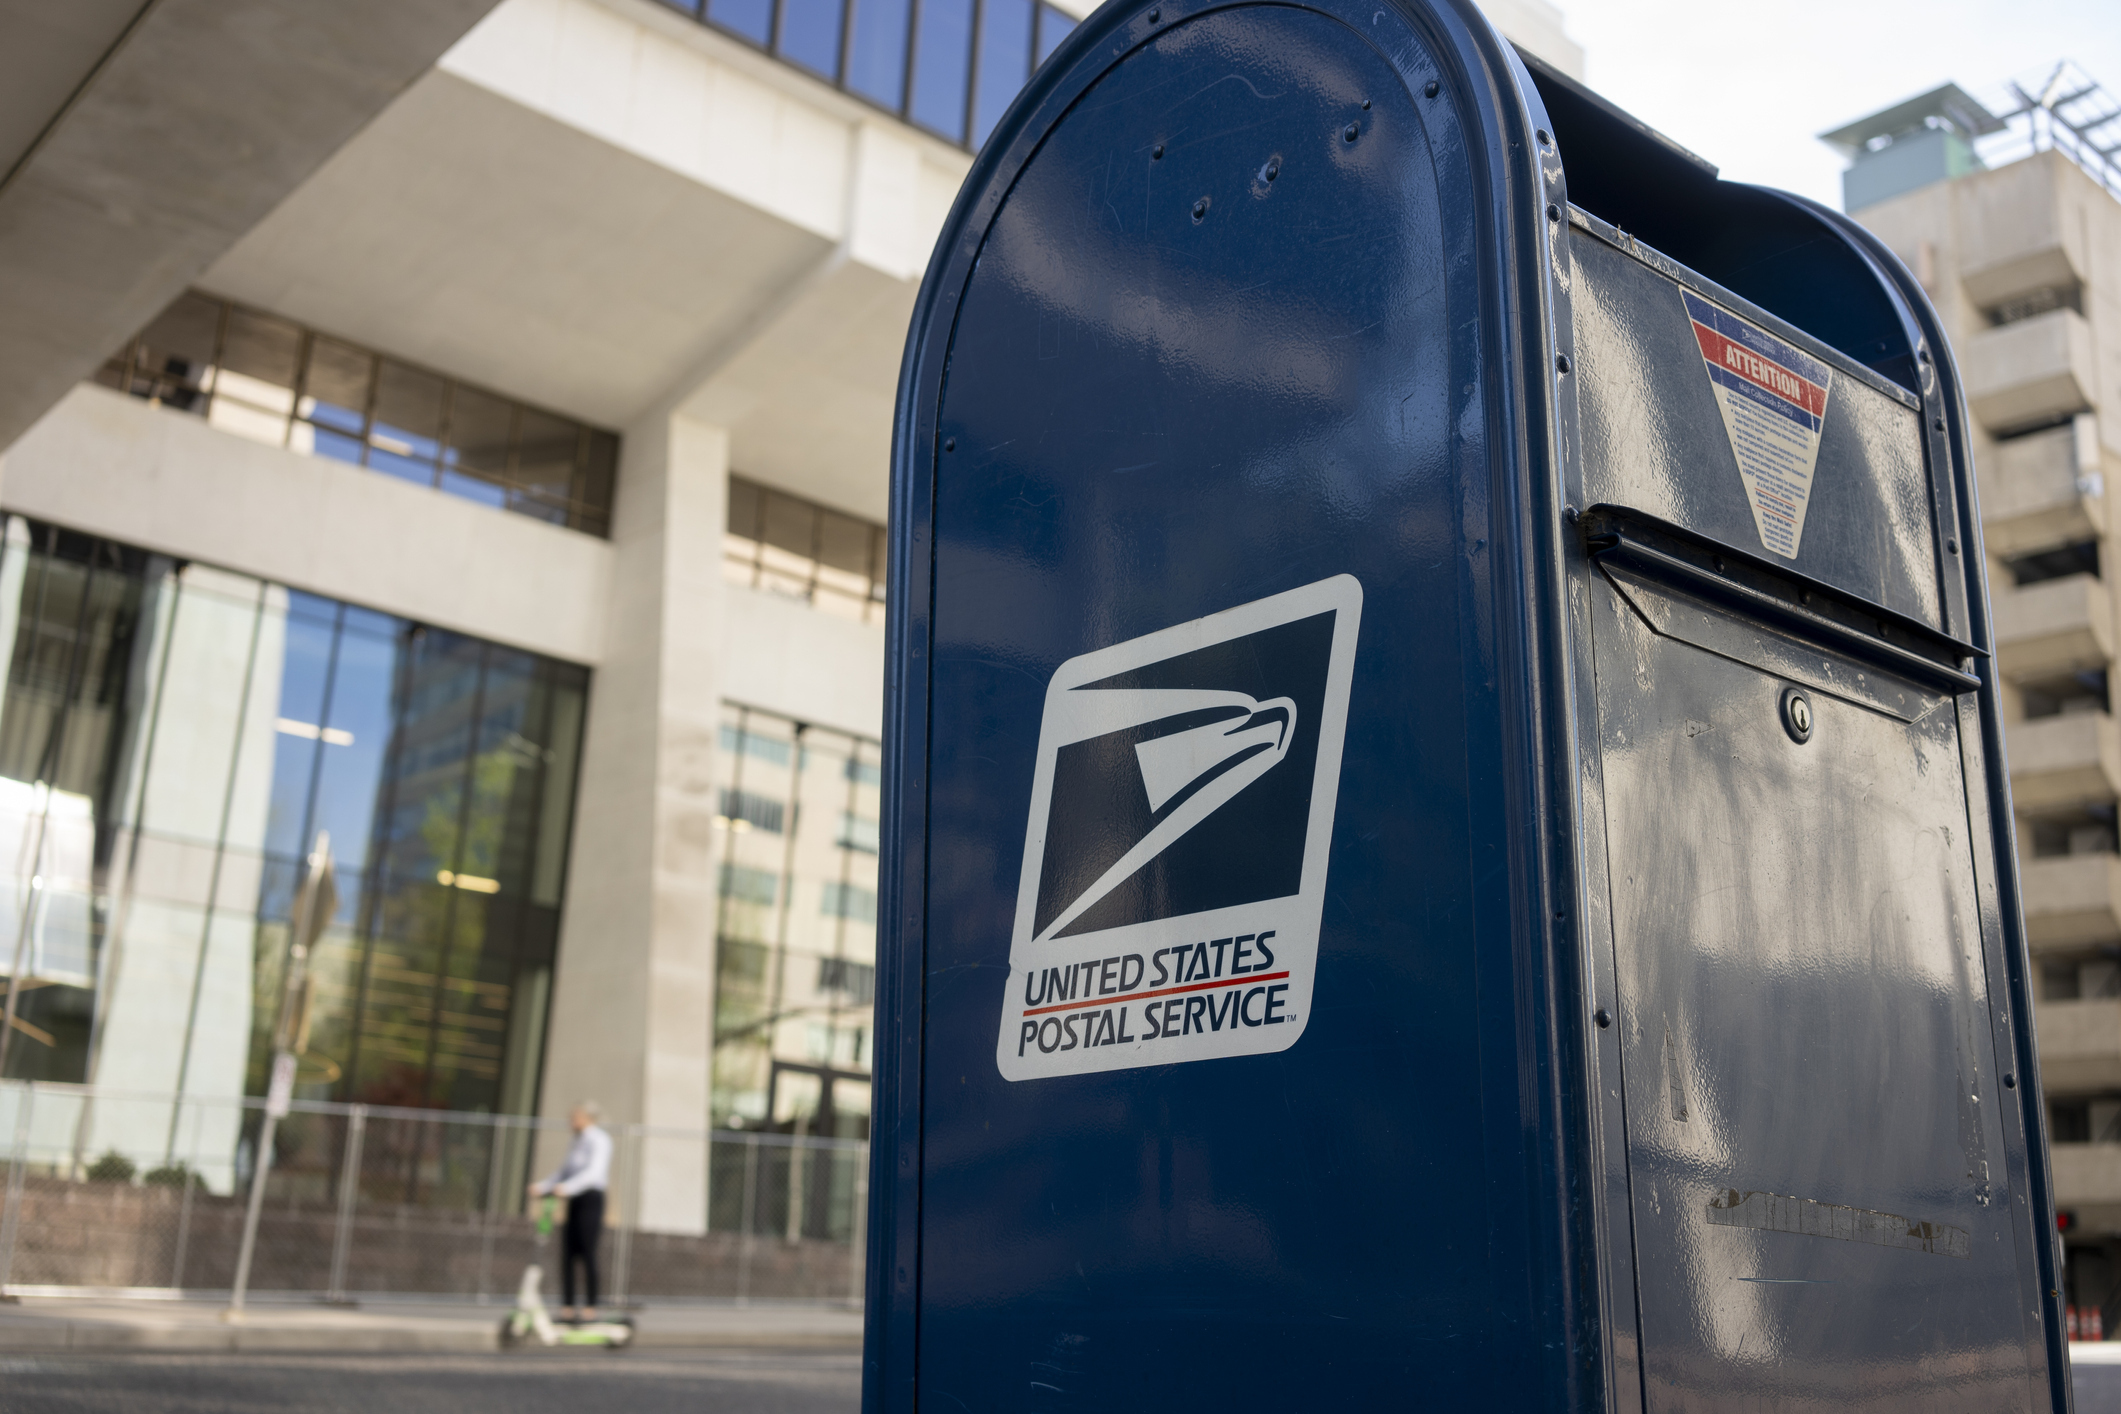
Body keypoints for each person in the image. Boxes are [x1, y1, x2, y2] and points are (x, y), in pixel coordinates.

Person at [528, 1101, 612, 1322]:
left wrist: (567, 1188)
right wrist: (544, 1187)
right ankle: (567, 1306)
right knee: (568, 1253)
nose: (571, 1121)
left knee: (587, 1251)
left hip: (591, 1198)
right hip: (573, 1199)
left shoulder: (599, 1140)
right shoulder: (575, 1142)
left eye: (576, 1117)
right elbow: (563, 1172)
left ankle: (591, 1306)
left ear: (588, 1118)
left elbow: (594, 1172)